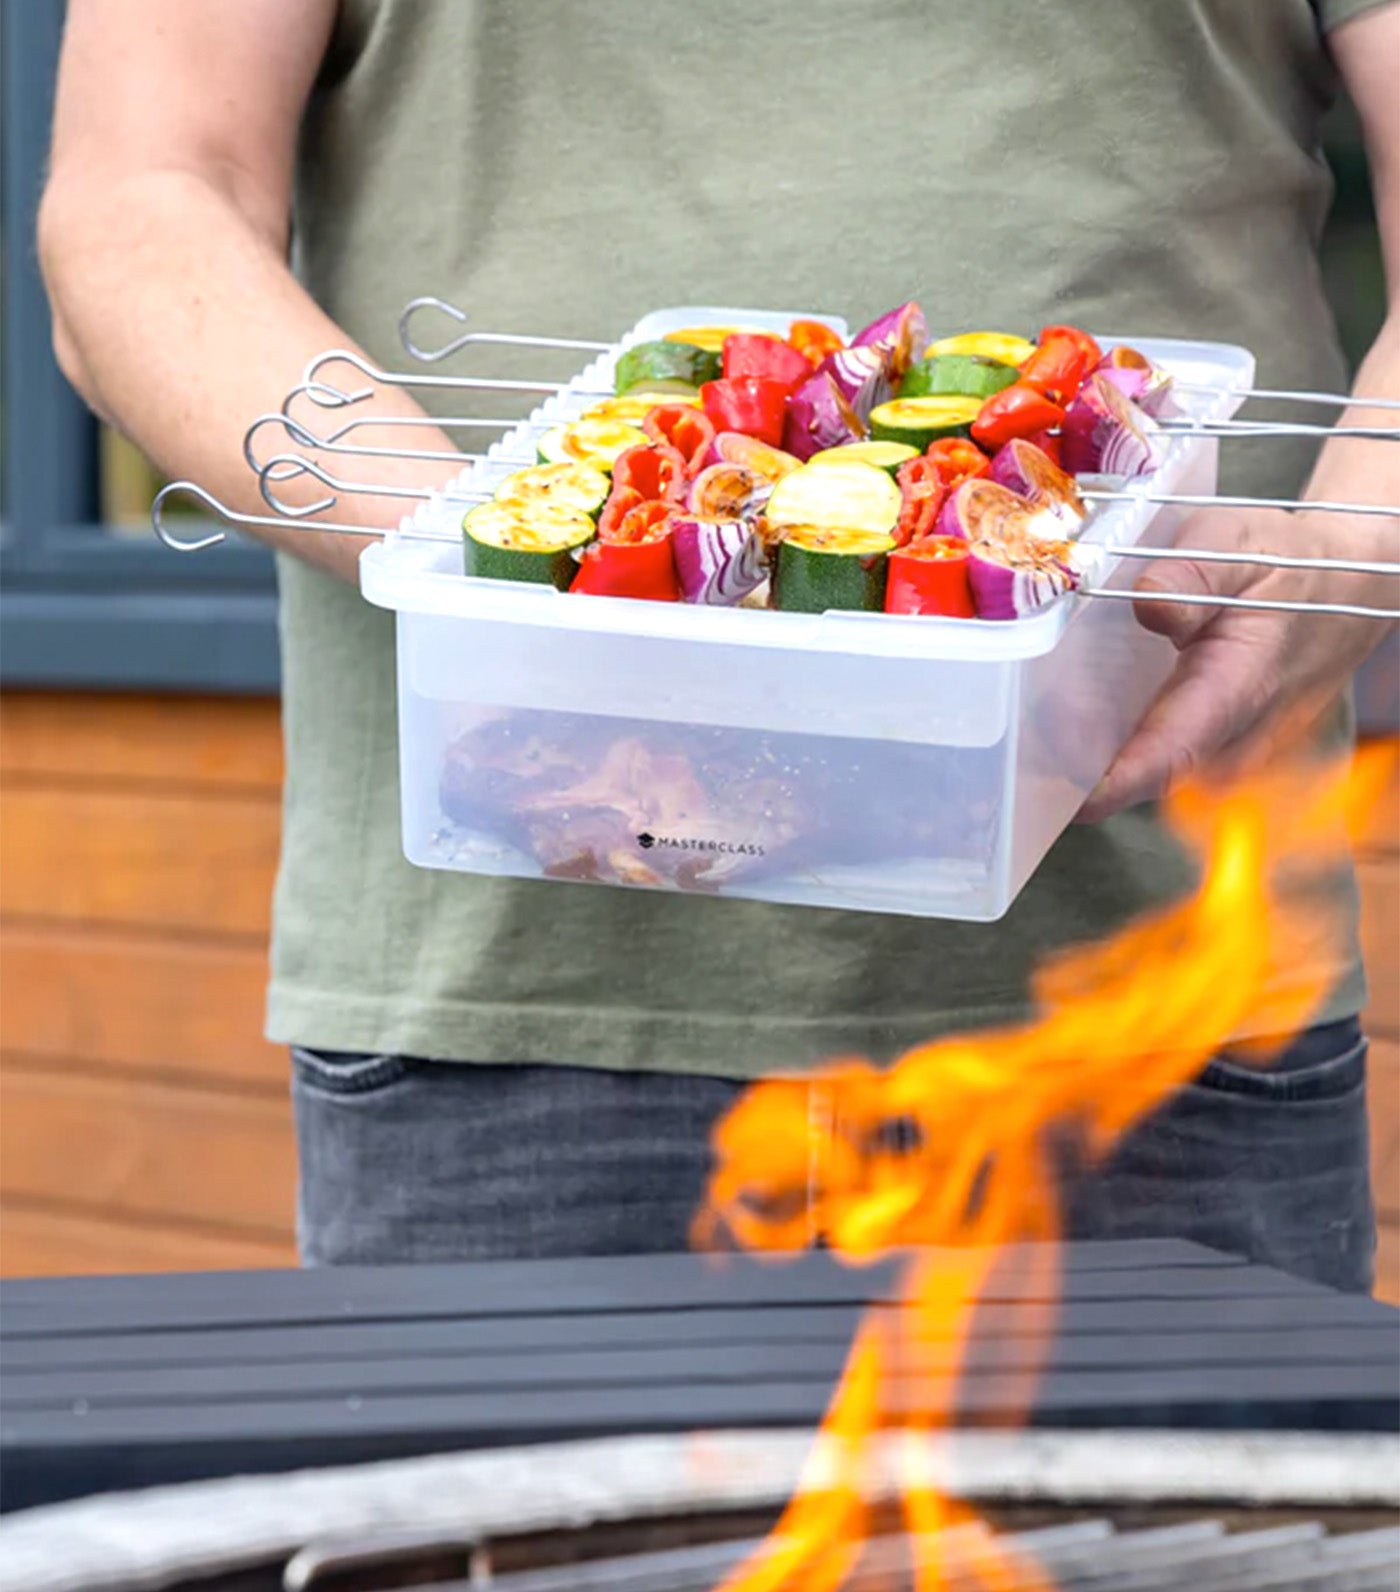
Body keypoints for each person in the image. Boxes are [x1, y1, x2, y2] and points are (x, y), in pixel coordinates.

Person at [39, 0, 1398, 1289]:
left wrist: (1345, 548)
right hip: (501, 1012)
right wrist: (506, 571)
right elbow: (143, 197)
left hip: (1162, 1002)